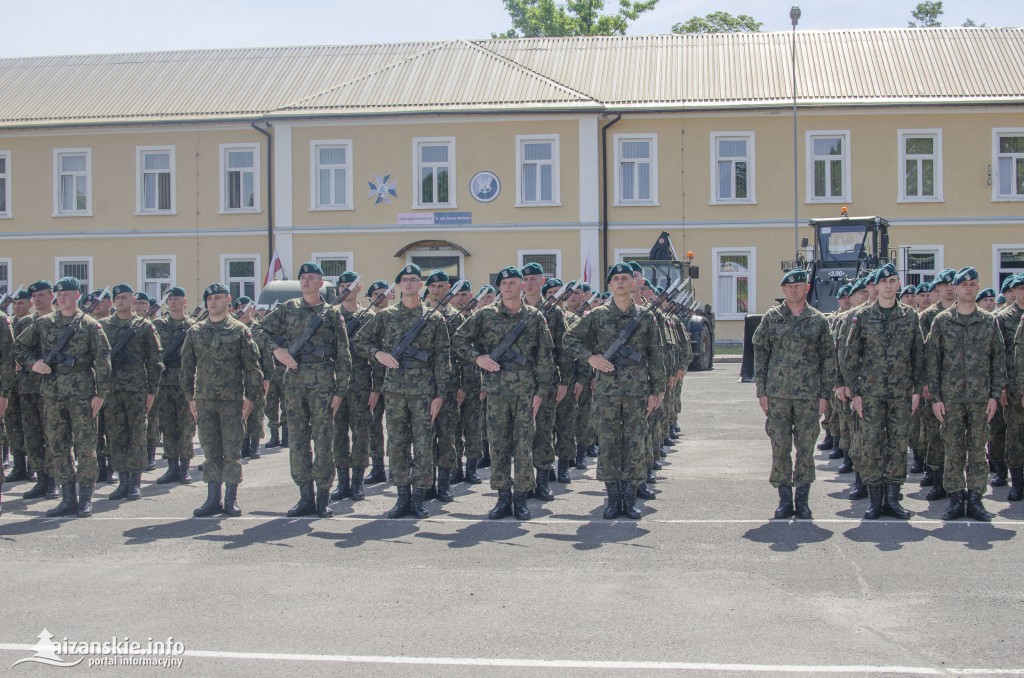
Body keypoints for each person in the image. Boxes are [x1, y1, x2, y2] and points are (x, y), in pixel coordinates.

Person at [563, 263, 666, 519]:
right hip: (607, 391)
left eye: (625, 278)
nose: (620, 282)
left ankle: (630, 499)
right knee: (609, 443)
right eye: (615, 279)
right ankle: (613, 498)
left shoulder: (645, 316)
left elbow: (656, 354)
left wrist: (658, 390)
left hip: (637, 390)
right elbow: (569, 340)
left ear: (633, 283)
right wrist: (591, 358)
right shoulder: (597, 316)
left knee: (634, 442)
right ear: (609, 285)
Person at [452, 266, 554, 521]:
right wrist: (478, 358)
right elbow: (458, 339)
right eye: (504, 283)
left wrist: (540, 392)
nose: (508, 286)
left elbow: (544, 358)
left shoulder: (535, 317)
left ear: (522, 286)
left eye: (513, 282)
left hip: (525, 390)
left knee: (523, 446)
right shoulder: (485, 315)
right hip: (496, 389)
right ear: (499, 287)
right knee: (498, 445)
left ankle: (521, 499)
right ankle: (502, 498)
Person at [252, 262, 351, 518]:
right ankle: (304, 496)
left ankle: (323, 497)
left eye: (311, 278)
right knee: (297, 441)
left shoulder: (332, 313)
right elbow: (257, 328)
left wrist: (340, 390)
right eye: (303, 278)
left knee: (323, 441)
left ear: (321, 283)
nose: (306, 281)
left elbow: (343, 353)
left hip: (322, 384)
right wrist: (277, 350)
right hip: (294, 383)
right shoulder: (288, 308)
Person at [354, 264, 450, 519]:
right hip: (395, 391)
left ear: (421, 286)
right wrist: (379, 354)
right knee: (397, 444)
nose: (409, 283)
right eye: (404, 279)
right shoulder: (384, 317)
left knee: (423, 445)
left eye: (414, 279)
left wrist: (440, 394)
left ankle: (419, 498)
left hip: (424, 391)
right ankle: (402, 498)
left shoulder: (434, 318)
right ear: (398, 286)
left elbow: (442, 358)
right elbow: (360, 341)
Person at [14, 277, 111, 517]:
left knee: (85, 446)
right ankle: (67, 497)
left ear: (77, 295)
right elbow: (19, 347)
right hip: (53, 391)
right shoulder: (44, 323)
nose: (63, 298)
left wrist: (101, 394)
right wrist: (33, 364)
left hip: (82, 393)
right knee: (58, 445)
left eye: (67, 293)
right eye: (59, 294)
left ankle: (86, 497)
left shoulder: (89, 325)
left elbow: (103, 360)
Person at [842, 263, 924, 519]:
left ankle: (893, 498)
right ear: (875, 287)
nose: (888, 285)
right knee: (871, 444)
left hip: (901, 393)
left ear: (898, 284)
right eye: (883, 282)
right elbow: (850, 355)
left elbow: (918, 354)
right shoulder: (863, 316)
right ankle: (875, 499)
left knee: (898, 444)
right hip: (871, 394)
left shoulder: (909, 316)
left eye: (892, 281)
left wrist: (916, 390)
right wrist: (855, 392)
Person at [752, 269, 835, 520]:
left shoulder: (818, 320)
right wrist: (761, 390)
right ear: (783, 290)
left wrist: (824, 394)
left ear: (806, 288)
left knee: (806, 447)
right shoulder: (771, 318)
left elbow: (828, 359)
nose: (793, 290)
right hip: (777, 394)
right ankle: (784, 499)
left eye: (798, 286)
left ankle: (803, 499)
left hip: (808, 396)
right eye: (788, 287)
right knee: (780, 446)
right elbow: (761, 354)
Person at [926, 266, 1006, 521]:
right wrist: (936, 398)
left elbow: (998, 361)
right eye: (964, 285)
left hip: (980, 398)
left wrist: (994, 395)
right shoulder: (941, 321)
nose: (969, 288)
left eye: (973, 284)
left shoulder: (988, 321)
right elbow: (933, 362)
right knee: (953, 449)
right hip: (950, 400)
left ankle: (975, 498)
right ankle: (956, 498)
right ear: (956, 289)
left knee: (977, 450)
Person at [180, 283, 263, 517]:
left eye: (217, 298)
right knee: (210, 451)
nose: (212, 302)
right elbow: (186, 368)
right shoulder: (196, 332)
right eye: (209, 299)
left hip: (232, 401)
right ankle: (212, 498)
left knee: (232, 451)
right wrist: (190, 398)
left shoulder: (239, 331)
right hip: (205, 401)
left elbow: (252, 368)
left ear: (228, 300)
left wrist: (250, 397)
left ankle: (230, 499)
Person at [100, 284, 162, 501]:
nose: (120, 301)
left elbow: (155, 362)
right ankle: (122, 480)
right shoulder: (103, 326)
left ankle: (135, 482)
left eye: (124, 297)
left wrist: (151, 390)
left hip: (136, 388)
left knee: (136, 435)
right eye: (117, 297)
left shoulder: (144, 327)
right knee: (116, 435)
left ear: (132, 299)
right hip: (112, 389)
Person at [331, 271, 374, 502]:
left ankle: (357, 482)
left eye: (350, 285)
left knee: (361, 433)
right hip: (335, 382)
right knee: (338, 433)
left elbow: (378, 354)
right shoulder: (329, 315)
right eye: (342, 286)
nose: (346, 289)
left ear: (359, 288)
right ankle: (342, 482)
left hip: (361, 381)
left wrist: (376, 388)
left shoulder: (369, 317)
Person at [152, 287, 196, 484]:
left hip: (186, 382)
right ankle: (172, 468)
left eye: (177, 299)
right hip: (164, 382)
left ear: (184, 301)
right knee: (167, 426)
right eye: (170, 299)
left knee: (186, 426)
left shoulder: (193, 326)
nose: (173, 302)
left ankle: (185, 468)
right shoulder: (158, 326)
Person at [18, 280, 58, 500]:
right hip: (28, 388)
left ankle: (54, 481)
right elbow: (17, 351)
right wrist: (32, 363)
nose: (37, 299)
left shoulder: (62, 322)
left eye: (41, 295)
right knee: (32, 437)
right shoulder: (24, 323)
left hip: (54, 389)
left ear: (51, 295)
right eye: (34, 296)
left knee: (53, 436)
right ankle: (41, 480)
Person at [997, 274, 1024, 500]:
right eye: (1020, 288)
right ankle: (1016, 483)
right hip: (1014, 388)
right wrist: (1002, 387)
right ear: (1013, 291)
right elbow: (999, 355)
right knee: (1014, 435)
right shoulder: (1004, 318)